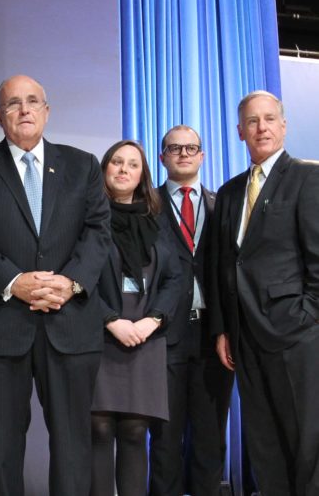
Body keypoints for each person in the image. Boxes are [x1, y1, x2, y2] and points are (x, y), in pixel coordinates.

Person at [0, 74, 111, 496]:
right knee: (2, 446)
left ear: (47, 111)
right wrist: (14, 281)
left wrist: (70, 282)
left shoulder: (83, 164)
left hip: (70, 322)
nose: (24, 110)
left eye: (33, 101)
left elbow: (97, 232)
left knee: (74, 444)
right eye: (14, 103)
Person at [211, 90, 319, 496]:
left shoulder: (308, 177)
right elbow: (224, 265)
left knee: (307, 444)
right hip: (245, 339)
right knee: (264, 444)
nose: (262, 128)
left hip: (296, 334)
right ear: (240, 131)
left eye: (270, 119)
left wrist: (307, 315)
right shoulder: (230, 191)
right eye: (253, 121)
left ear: (284, 125)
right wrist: (223, 328)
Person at [90, 140, 182, 496]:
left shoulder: (156, 220)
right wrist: (110, 320)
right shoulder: (86, 218)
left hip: (146, 336)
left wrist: (153, 320)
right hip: (100, 334)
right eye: (117, 161)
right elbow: (75, 276)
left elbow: (175, 277)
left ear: (142, 175)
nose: (124, 170)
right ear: (105, 168)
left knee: (134, 431)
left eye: (133, 164)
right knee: (97, 429)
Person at [148, 126, 233, 496]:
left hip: (214, 337)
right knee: (165, 440)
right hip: (162, 334)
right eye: (174, 148)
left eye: (191, 148)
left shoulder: (222, 205)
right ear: (162, 156)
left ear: (202, 156)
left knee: (210, 439)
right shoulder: (145, 206)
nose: (183, 153)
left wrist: (227, 329)